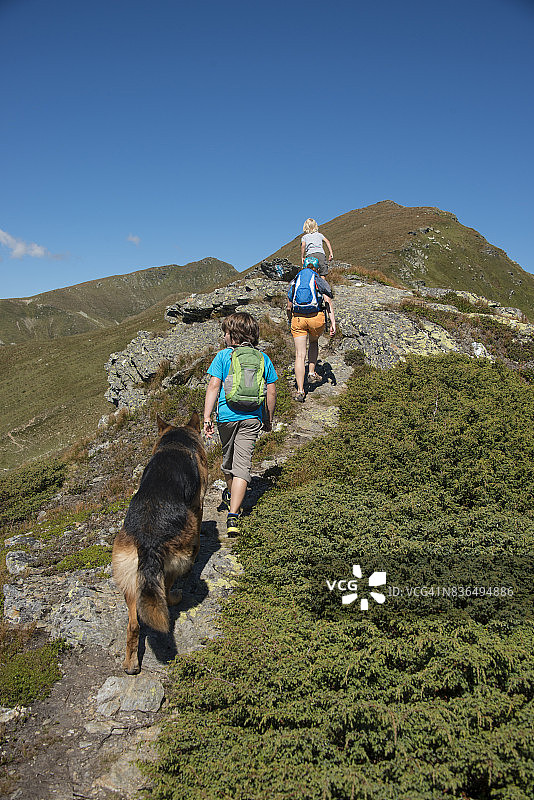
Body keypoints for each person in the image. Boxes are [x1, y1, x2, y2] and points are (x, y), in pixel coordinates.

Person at [203, 312, 277, 535]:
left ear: (232, 335)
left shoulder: (223, 356)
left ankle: (230, 497)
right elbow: (271, 392)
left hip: (226, 417)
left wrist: (207, 416)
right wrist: (268, 419)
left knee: (228, 461)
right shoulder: (263, 359)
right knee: (242, 465)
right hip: (252, 417)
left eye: (225, 332)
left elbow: (214, 387)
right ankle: (234, 516)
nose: (224, 337)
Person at [287, 261, 336, 402]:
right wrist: (333, 323)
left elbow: (289, 306)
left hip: (298, 319)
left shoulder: (296, 280)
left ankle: (300, 391)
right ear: (317, 268)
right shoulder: (318, 279)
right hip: (316, 318)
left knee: (299, 355)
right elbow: (328, 302)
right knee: (313, 342)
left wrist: (291, 320)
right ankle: (311, 372)